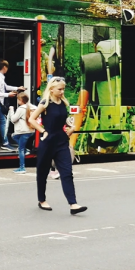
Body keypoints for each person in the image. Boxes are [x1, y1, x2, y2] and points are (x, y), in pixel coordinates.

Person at [28, 77, 86, 215]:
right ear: (51, 89)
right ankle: (42, 200)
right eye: (59, 89)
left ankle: (73, 204)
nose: (62, 91)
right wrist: (43, 131)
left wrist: (70, 126)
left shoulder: (63, 103)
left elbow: (62, 119)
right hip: (48, 142)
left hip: (61, 141)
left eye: (63, 89)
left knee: (67, 173)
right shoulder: (45, 103)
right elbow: (31, 119)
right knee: (42, 173)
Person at [0, 60, 22, 150]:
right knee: (3, 121)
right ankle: (5, 143)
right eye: (7, 67)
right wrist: (8, 95)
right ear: (4, 67)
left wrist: (17, 88)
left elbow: (5, 87)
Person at [7, 91, 36, 174]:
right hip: (30, 130)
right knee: (14, 137)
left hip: (22, 131)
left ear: (20, 100)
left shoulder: (20, 109)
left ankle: (22, 168)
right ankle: (26, 150)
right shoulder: (32, 107)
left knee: (21, 149)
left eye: (18, 99)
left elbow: (13, 119)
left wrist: (11, 110)